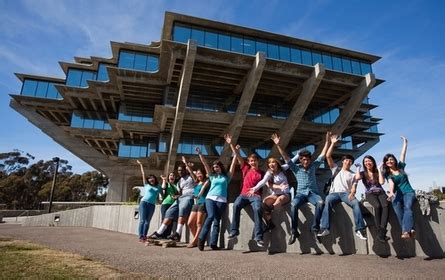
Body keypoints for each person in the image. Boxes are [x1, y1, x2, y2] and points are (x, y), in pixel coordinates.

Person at [272, 132, 329, 245]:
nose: (306, 161)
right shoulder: (295, 168)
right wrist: (278, 145)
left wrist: (327, 142)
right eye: (303, 159)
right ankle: (294, 231)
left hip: (313, 193)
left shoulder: (314, 166)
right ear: (301, 160)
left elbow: (322, 155)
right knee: (293, 205)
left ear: (310, 159)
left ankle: (315, 229)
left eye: (307, 159)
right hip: (300, 194)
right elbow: (285, 157)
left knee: (321, 203)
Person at [318, 133, 367, 240]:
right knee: (327, 201)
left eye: (350, 161)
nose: (348, 162)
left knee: (355, 203)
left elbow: (355, 184)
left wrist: (352, 193)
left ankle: (359, 229)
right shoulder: (336, 168)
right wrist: (332, 143)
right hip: (334, 194)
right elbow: (327, 156)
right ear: (343, 161)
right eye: (346, 160)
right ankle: (325, 228)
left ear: (352, 163)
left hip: (346, 194)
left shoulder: (353, 174)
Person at [225, 134, 265, 248]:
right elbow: (237, 155)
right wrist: (231, 144)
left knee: (257, 209)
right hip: (243, 194)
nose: (253, 162)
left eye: (254, 161)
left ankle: (259, 237)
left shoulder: (262, 173)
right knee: (236, 205)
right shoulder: (245, 168)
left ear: (258, 161)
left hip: (255, 196)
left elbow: (266, 185)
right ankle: (234, 231)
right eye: (251, 161)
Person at [196, 146, 237, 251]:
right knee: (210, 216)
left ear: (221, 167)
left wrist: (235, 153)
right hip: (210, 199)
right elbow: (205, 164)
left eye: (217, 167)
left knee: (217, 221)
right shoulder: (212, 176)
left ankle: (213, 244)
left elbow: (232, 166)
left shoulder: (226, 177)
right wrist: (200, 154)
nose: (215, 169)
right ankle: (201, 239)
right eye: (214, 167)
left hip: (222, 200)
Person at [149, 156, 196, 241]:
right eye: (178, 170)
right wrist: (177, 196)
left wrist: (186, 163)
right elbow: (180, 192)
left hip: (189, 197)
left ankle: (178, 233)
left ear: (185, 170)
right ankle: (159, 232)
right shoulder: (179, 181)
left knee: (182, 210)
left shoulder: (191, 177)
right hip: (181, 197)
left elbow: (194, 175)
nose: (180, 172)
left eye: (182, 170)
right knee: (169, 212)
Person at [383, 136, 416, 240]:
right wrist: (391, 192)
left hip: (409, 192)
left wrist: (405, 143)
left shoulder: (401, 167)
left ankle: (405, 231)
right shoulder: (388, 175)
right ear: (385, 163)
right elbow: (391, 183)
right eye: (387, 160)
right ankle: (410, 229)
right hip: (399, 194)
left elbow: (403, 154)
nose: (389, 161)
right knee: (396, 206)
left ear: (394, 160)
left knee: (407, 207)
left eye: (391, 159)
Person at [249, 157, 290, 233]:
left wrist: (298, 155)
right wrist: (254, 189)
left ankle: (271, 209)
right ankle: (269, 223)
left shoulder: (283, 169)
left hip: (285, 193)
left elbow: (291, 163)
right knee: (265, 202)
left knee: (279, 200)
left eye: (273, 162)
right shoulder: (269, 173)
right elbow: (263, 182)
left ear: (277, 163)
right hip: (275, 194)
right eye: (269, 163)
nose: (271, 164)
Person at [355, 155, 390, 242]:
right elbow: (357, 178)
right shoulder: (363, 173)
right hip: (370, 194)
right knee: (377, 206)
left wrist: (379, 169)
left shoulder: (377, 172)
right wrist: (358, 168)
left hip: (381, 192)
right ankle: (381, 232)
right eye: (365, 161)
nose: (367, 163)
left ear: (373, 162)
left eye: (369, 161)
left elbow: (381, 182)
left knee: (385, 206)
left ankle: (381, 232)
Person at [136, 160, 160, 242]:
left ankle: (144, 236)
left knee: (147, 222)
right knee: (142, 220)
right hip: (144, 203)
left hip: (152, 205)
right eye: (149, 179)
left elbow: (158, 196)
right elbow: (143, 174)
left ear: (155, 179)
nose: (151, 179)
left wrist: (160, 201)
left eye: (152, 178)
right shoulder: (146, 185)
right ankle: (141, 236)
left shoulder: (158, 187)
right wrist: (141, 165)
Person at [187, 166, 210, 248]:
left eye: (200, 173)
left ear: (203, 174)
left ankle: (194, 242)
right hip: (196, 204)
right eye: (197, 174)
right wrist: (187, 164)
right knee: (190, 223)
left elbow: (203, 190)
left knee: (199, 223)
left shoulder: (206, 181)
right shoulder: (196, 183)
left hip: (203, 203)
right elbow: (191, 172)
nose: (199, 175)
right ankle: (197, 240)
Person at [159, 172, 179, 238]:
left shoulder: (177, 185)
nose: (172, 176)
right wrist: (164, 180)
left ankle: (167, 235)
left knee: (171, 220)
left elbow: (180, 193)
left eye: (173, 175)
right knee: (164, 219)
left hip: (173, 204)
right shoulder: (167, 184)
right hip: (166, 203)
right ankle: (161, 234)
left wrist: (176, 196)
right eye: (170, 175)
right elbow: (163, 188)